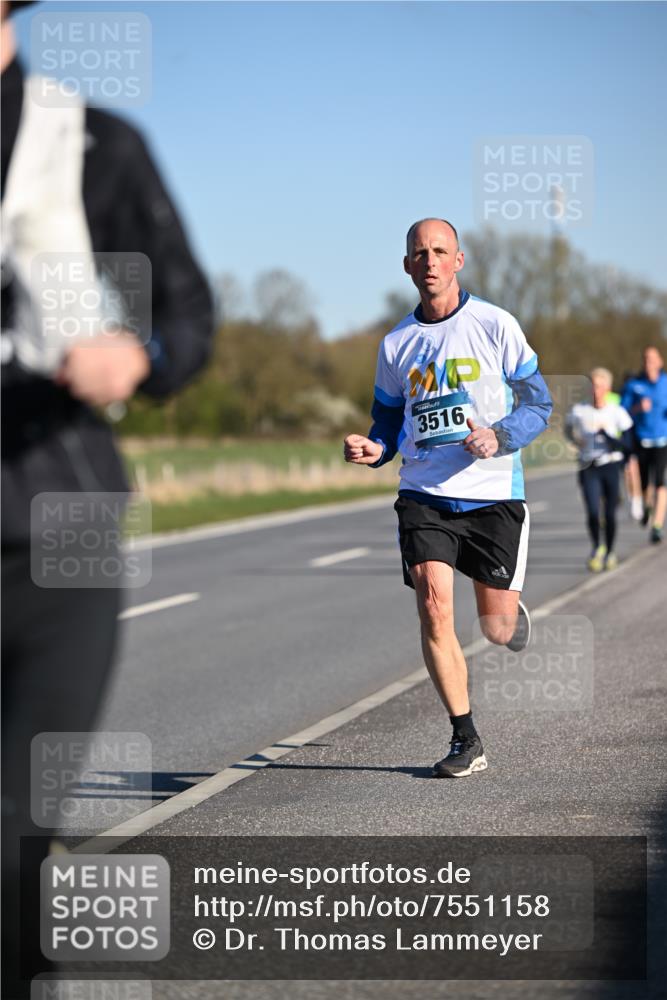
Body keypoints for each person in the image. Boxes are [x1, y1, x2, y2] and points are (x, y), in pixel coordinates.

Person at [1, 3, 214, 994]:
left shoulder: (91, 143)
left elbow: (187, 316)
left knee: (11, 837)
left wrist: (139, 353)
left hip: (57, 531)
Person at [344, 218, 552, 779]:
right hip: (425, 492)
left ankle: (507, 610)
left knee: (496, 630)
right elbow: (388, 420)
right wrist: (375, 447)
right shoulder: (396, 344)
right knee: (435, 604)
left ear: (458, 260)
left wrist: (500, 435)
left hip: (492, 493)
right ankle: (465, 738)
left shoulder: (493, 324)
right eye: (420, 253)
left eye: (440, 251)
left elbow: (539, 404)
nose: (430, 261)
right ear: (408, 265)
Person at [565, 368, 634, 572]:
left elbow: (628, 444)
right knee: (594, 512)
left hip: (611, 466)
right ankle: (597, 548)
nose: (596, 390)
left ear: (607, 388)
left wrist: (608, 436)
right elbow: (568, 429)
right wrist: (577, 441)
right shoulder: (579, 410)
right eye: (593, 386)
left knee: (610, 514)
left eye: (600, 386)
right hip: (588, 467)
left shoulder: (616, 411)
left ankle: (610, 552)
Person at [621, 346, 667, 544]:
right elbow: (622, 412)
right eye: (646, 359)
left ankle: (657, 526)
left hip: (663, 440)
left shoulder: (666, 383)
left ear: (660, 362)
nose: (649, 362)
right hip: (641, 440)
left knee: (661, 483)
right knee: (646, 483)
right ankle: (647, 508)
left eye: (653, 359)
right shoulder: (634, 385)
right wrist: (638, 408)